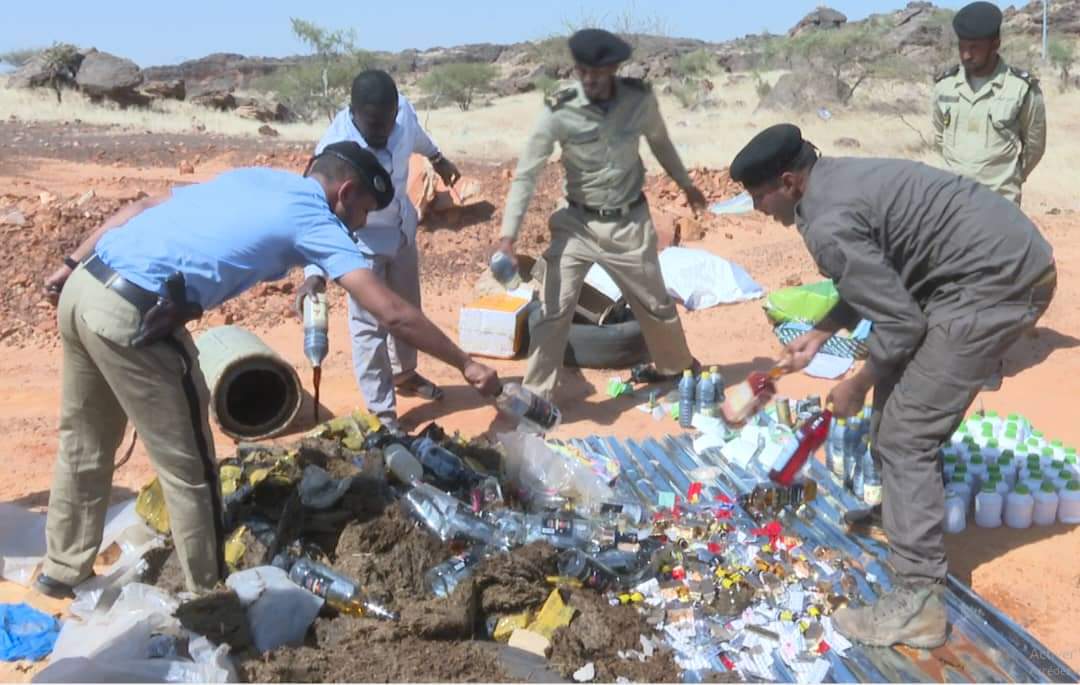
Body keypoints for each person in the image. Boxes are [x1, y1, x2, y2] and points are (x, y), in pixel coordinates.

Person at [37, 142, 500, 598]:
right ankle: (209, 601)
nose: (360, 224)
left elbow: (140, 208)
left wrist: (70, 263)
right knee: (190, 468)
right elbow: (392, 313)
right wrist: (467, 364)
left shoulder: (260, 179)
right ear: (346, 191)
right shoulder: (315, 218)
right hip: (134, 313)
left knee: (84, 441)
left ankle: (61, 569)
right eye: (363, 210)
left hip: (84, 285)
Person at [730, 124, 1055, 649]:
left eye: (758, 195)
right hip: (976, 268)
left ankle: (918, 601)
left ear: (788, 182)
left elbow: (902, 323)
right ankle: (902, 513)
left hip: (996, 284)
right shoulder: (829, 183)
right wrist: (821, 332)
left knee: (907, 433)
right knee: (897, 404)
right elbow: (876, 275)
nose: (756, 208)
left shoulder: (827, 221)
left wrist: (857, 383)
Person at [495, 29, 708, 401]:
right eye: (583, 71)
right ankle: (536, 396)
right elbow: (527, 172)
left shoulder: (639, 101)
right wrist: (508, 236)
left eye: (598, 71)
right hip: (576, 224)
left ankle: (677, 370)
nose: (590, 79)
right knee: (553, 309)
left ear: (614, 69)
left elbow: (660, 143)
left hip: (627, 223)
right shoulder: (559, 110)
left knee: (655, 306)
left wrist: (686, 184)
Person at [296, 69, 462, 431]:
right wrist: (314, 273)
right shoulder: (334, 147)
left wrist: (438, 159)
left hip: (401, 231)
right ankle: (384, 417)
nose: (382, 132)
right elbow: (315, 212)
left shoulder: (403, 115)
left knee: (407, 311)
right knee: (369, 327)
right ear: (352, 111)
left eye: (388, 122)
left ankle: (404, 374)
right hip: (360, 243)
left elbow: (418, 138)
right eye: (373, 124)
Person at [932, 1, 1046, 205]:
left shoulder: (1021, 88)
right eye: (962, 46)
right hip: (952, 201)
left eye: (974, 47)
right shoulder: (945, 86)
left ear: (995, 44)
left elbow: (1034, 146)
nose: (966, 55)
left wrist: (1011, 177)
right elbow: (939, 138)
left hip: (999, 202)